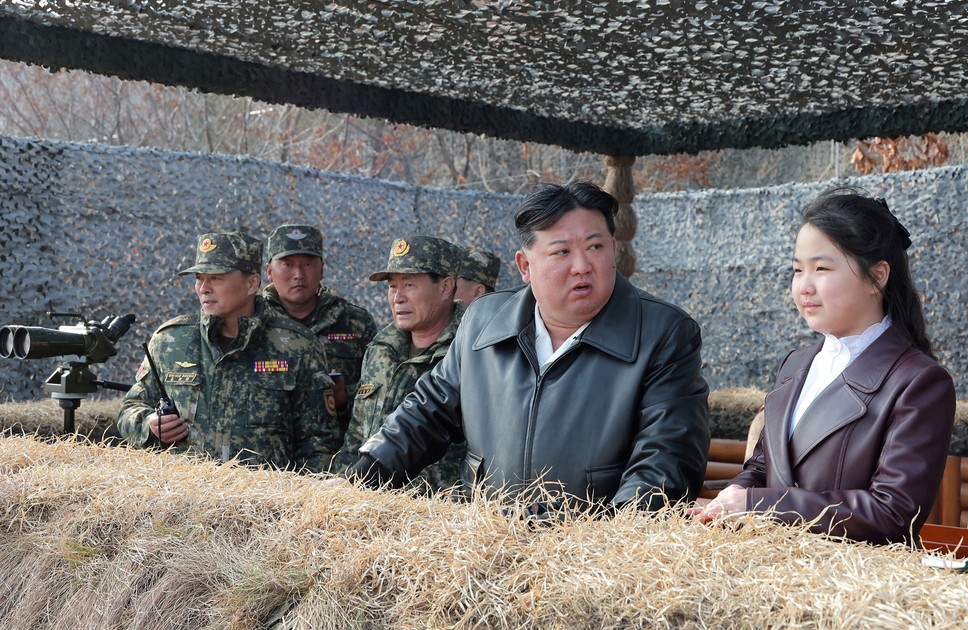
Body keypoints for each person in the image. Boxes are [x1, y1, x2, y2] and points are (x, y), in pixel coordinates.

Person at [347, 180, 710, 512]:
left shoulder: (662, 334)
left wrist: (597, 543)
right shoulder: (484, 321)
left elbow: (665, 462)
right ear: (525, 266)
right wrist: (361, 479)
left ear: (613, 250)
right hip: (484, 543)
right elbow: (427, 412)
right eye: (561, 252)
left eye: (595, 247)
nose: (582, 266)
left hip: (589, 552)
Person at [692, 188, 956, 546]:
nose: (804, 286)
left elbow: (893, 513)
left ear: (878, 276)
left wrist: (756, 505)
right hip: (767, 565)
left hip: (850, 575)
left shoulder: (919, 382)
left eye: (821, 269)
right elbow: (763, 467)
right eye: (797, 270)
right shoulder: (797, 363)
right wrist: (731, 498)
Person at [117, 231, 340, 472]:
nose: (204, 288)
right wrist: (148, 425)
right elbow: (130, 408)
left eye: (216, 278)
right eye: (199, 279)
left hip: (261, 494)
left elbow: (318, 443)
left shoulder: (296, 345)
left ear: (251, 283)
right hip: (182, 493)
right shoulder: (170, 341)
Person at [332, 235, 465, 472]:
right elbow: (356, 438)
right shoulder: (380, 350)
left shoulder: (469, 350)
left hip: (436, 496)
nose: (398, 298)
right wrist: (343, 484)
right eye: (392, 287)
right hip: (369, 490)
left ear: (445, 287)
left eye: (409, 285)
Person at [262, 224, 377, 436]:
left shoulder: (355, 322)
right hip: (272, 449)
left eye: (308, 264)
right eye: (287, 264)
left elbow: (379, 389)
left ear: (322, 269)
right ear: (269, 271)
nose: (298, 274)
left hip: (340, 447)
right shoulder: (254, 322)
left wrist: (345, 396)